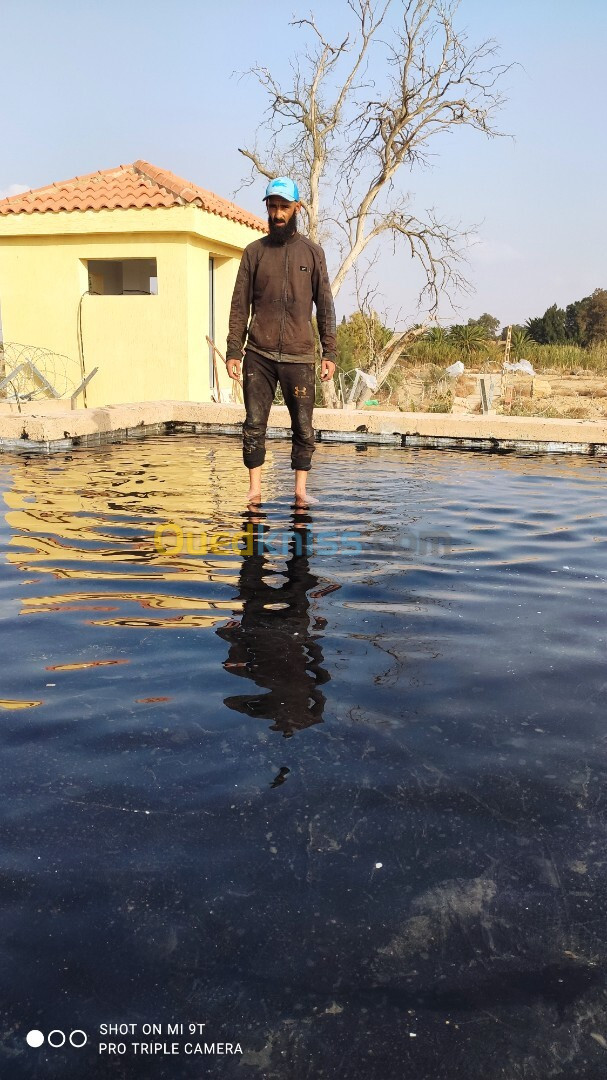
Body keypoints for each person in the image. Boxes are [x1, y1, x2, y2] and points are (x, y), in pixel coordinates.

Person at [226, 177, 336, 507]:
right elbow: (238, 302)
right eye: (272, 206)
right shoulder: (254, 253)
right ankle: (254, 489)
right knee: (254, 423)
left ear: (296, 209)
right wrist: (234, 349)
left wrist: (329, 350)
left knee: (303, 426)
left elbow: (326, 303)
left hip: (300, 356)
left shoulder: (313, 253)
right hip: (258, 353)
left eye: (284, 207)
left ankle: (300, 491)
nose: (277, 214)